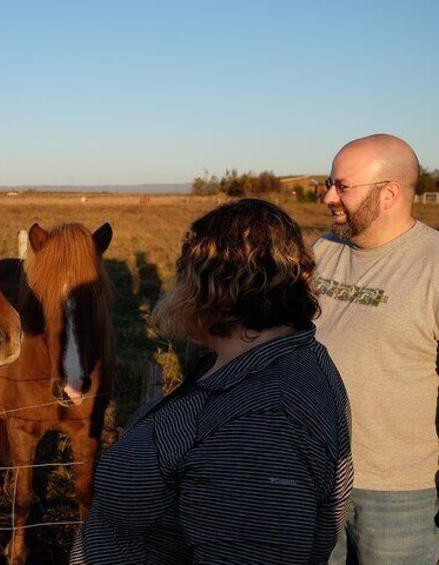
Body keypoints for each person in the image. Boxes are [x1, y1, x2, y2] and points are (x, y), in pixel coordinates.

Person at [70, 199, 353, 564]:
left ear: (212, 287)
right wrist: (150, 449)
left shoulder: (265, 426)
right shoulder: (254, 364)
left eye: (184, 272)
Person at [315, 134, 439, 564]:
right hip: (316, 474)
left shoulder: (433, 265)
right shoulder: (323, 251)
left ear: (389, 194)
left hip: (398, 493)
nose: (329, 196)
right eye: (328, 183)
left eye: (343, 186)